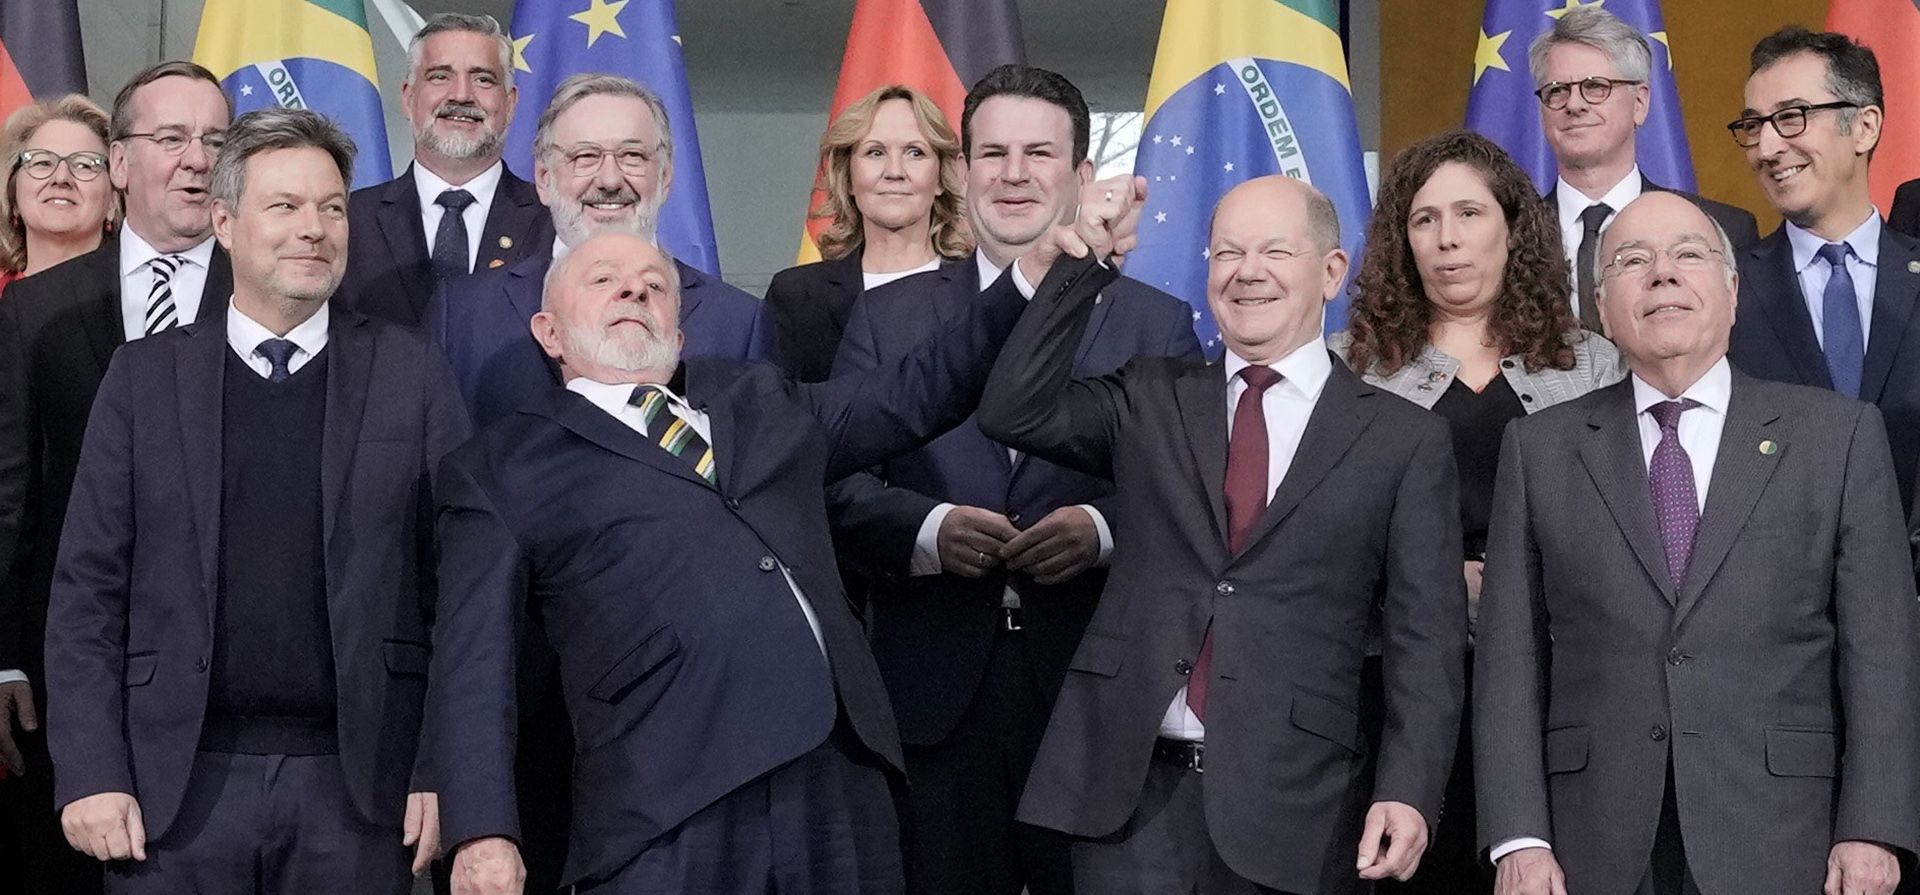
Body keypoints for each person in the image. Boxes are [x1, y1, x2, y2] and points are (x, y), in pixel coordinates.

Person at [428, 227, 1040, 895]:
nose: (635, 290)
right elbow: (472, 663)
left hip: (837, 781)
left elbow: (916, 390)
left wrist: (1030, 277)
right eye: (604, 279)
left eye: (655, 285)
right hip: (665, 807)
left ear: (679, 333)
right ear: (548, 332)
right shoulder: (501, 465)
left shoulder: (757, 397)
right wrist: (481, 830)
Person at [980, 174, 1468, 895]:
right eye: (1228, 253)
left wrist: (1410, 789)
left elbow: (1425, 640)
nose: (1248, 272)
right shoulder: (1150, 396)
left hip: (1297, 806)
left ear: (1332, 271)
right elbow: (1013, 409)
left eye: (1276, 251)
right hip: (1127, 801)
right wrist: (1080, 263)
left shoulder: (1404, 439)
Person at [44, 108, 468, 894]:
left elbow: (461, 590)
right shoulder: (143, 379)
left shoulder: (412, 373)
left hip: (362, 794)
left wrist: (445, 765)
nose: (314, 228)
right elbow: (86, 593)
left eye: (332, 208)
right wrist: (91, 769)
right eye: (286, 205)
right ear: (224, 222)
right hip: (172, 794)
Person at [1475, 189, 1919, 895]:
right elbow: (1510, 657)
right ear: (1601, 306)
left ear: (1733, 292)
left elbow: (1883, 652)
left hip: (1787, 836)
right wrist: (1518, 836)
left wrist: (1873, 826)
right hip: (1593, 841)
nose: (1663, 274)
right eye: (1633, 260)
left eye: (1689, 254)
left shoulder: (1837, 436)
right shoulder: (1539, 449)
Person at [828, 63, 1201, 895]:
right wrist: (929, 531)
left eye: (1040, 153)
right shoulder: (887, 316)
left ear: (1082, 174)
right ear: (962, 171)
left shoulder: (1157, 322)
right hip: (931, 698)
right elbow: (835, 485)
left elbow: (1191, 495)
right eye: (993, 153)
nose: (1014, 173)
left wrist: (1100, 533)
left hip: (1092, 692)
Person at [1332, 129, 1623, 894]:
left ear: (1513, 227)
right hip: (1387, 686)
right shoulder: (1347, 365)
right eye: (1424, 219)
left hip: (1557, 687)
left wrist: (1521, 589)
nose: (1447, 238)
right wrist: (1430, 583)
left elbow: (1629, 528)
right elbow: (1314, 537)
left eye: (1469, 213)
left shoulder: (1593, 363)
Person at [0, 61, 234, 895]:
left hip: (222, 683)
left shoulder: (268, 299)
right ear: (122, 163)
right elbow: (12, 497)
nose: (197, 159)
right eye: (172, 138)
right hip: (67, 678)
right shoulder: (34, 309)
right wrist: (4, 658)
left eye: (216, 140)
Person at [424, 72, 769, 432]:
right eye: (585, 157)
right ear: (544, 178)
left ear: (666, 177)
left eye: (632, 156)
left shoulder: (739, 323)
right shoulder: (461, 313)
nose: (609, 181)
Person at [1728, 27, 1920, 514]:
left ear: (1864, 127)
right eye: (1753, 125)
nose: (1766, 148)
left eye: (1791, 118)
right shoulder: (1723, 293)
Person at [1530, 6, 1757, 333]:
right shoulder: (1510, 235)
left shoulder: (1724, 228)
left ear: (1640, 103)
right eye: (1557, 91)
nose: (1574, 104)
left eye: (1595, 87)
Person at [341, 13, 545, 325]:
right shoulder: (349, 220)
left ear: (510, 103)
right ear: (408, 98)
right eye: (440, 76)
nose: (461, 95)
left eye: (483, 79)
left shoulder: (553, 222)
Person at [765, 83, 971, 382]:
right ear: (848, 177)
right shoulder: (797, 296)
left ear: (941, 178)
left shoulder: (980, 291)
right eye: (875, 152)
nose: (895, 171)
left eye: (915, 152)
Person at [0, 95, 118, 286]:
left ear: (113, 201)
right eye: (43, 162)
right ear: (13, 197)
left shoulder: (147, 298)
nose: (61, 178)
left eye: (84, 165)